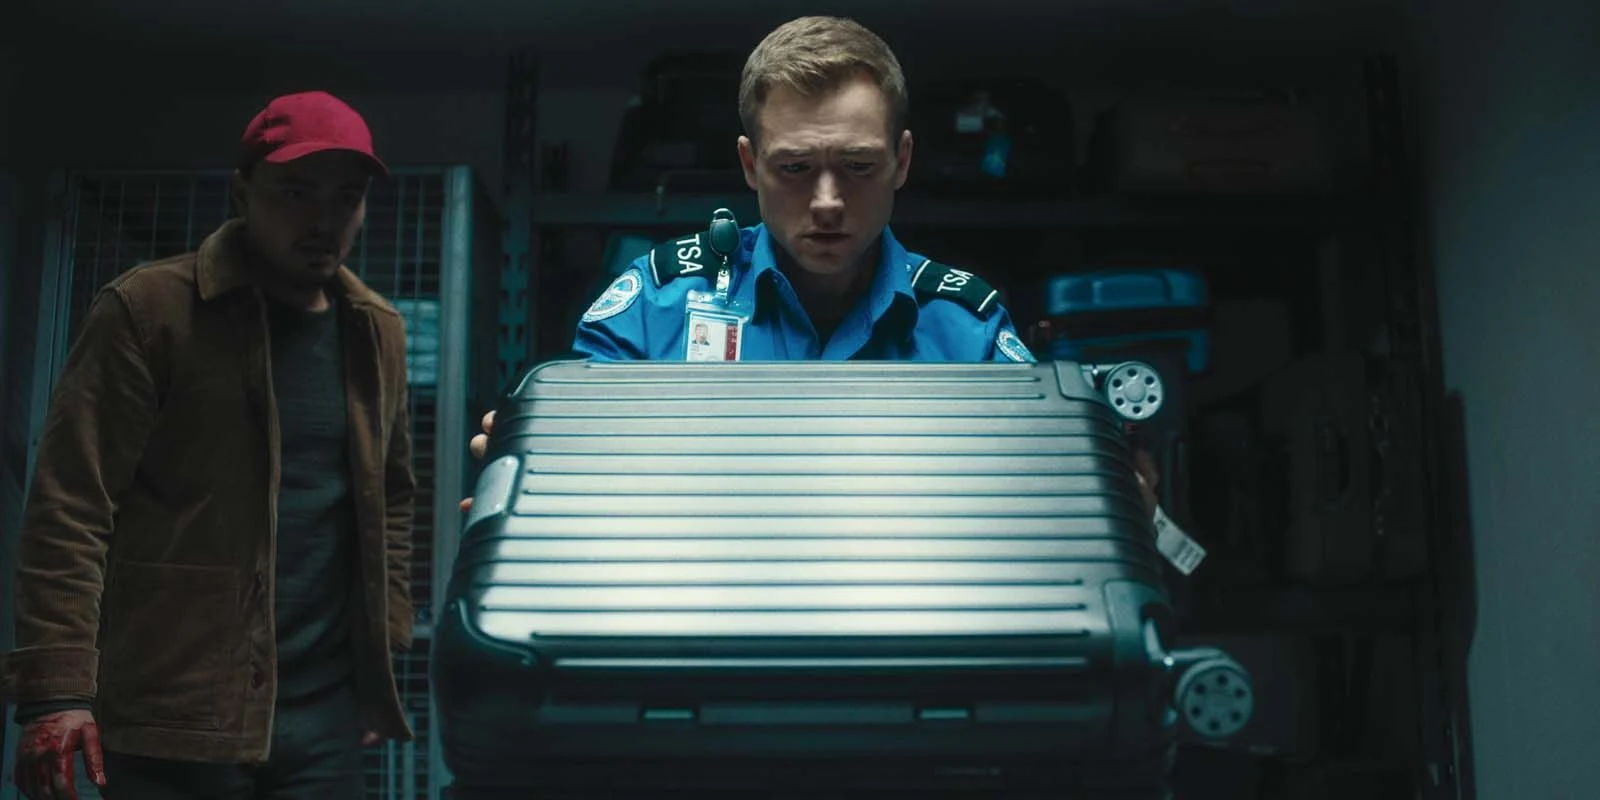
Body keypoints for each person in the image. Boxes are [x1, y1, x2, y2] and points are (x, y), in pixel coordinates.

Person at [465, 16, 1159, 508]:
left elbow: (1039, 510)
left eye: (858, 166)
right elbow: (577, 490)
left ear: (902, 161)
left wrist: (1113, 503)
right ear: (749, 165)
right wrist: (529, 489)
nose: (827, 202)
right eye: (795, 168)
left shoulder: (968, 329)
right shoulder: (653, 307)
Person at [2, 91, 417, 800]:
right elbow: (71, 504)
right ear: (242, 191)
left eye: (346, 198)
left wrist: (378, 656)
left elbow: (393, 498)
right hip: (173, 712)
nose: (324, 220)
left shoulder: (376, 332)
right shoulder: (149, 310)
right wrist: (56, 691)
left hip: (322, 718)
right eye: (297, 193)